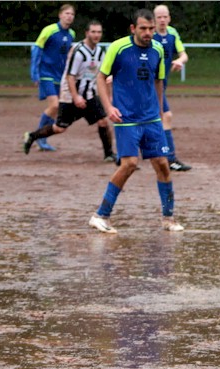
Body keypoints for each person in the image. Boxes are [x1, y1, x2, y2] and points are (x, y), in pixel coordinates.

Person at [88, 9, 184, 234]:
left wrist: (159, 114)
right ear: (133, 29)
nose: (148, 32)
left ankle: (168, 218)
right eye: (143, 28)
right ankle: (101, 214)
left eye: (151, 29)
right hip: (127, 118)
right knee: (130, 164)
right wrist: (109, 106)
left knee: (162, 164)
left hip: (151, 118)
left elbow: (159, 82)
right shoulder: (118, 48)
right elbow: (101, 77)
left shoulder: (158, 49)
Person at [23, 20, 115, 162]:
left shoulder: (99, 52)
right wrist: (76, 97)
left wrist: (108, 91)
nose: (96, 35)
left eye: (99, 32)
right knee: (60, 128)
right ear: (87, 33)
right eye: (93, 32)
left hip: (89, 95)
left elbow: (100, 75)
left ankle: (108, 154)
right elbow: (70, 76)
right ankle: (32, 136)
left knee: (103, 121)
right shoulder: (78, 51)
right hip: (70, 97)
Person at [29, 4, 76, 152]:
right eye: (67, 13)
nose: (69, 16)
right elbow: (37, 49)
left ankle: (40, 136)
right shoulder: (49, 30)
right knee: (54, 105)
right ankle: (38, 137)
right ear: (60, 15)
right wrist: (34, 72)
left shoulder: (72, 34)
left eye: (72, 14)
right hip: (46, 73)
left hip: (60, 76)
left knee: (55, 109)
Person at [153, 4, 192, 172]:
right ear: (154, 19)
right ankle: (170, 158)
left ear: (169, 18)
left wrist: (179, 61)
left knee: (150, 119)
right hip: (150, 85)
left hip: (161, 85)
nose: (162, 20)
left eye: (165, 16)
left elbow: (184, 54)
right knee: (166, 116)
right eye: (159, 17)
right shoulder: (149, 35)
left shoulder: (172, 33)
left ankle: (126, 155)